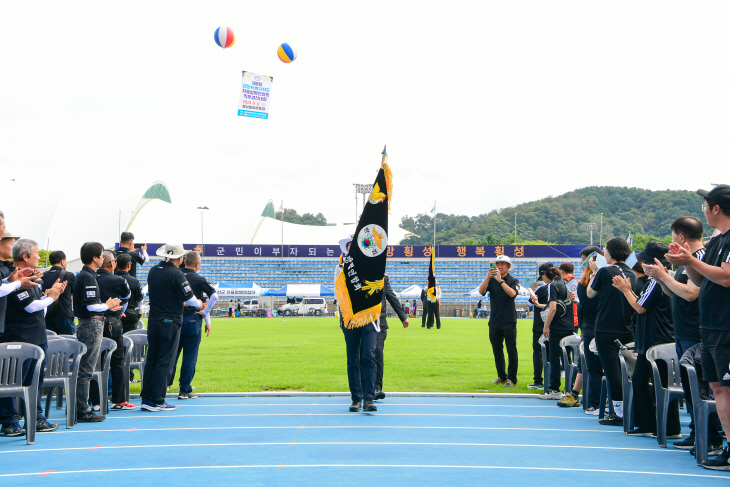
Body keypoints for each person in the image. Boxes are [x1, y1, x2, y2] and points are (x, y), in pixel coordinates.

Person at [665, 185, 730, 470]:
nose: (703, 211)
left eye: (705, 205)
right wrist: (685, 261)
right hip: (712, 327)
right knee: (716, 388)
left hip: (726, 327)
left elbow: (727, 278)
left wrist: (689, 260)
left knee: (725, 389)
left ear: (715, 208)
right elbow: (701, 281)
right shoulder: (718, 242)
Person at [644, 216, 720, 450]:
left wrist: (665, 276)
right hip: (683, 330)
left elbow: (691, 293)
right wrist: (660, 277)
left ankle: (709, 437)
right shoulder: (687, 261)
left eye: (673, 235)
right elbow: (674, 293)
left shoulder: (699, 259)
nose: (672, 240)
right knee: (691, 389)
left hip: (695, 332)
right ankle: (697, 433)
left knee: (702, 388)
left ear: (681, 236)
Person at [0, 239, 66, 437]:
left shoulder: (30, 279)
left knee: (35, 381)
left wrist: (47, 297)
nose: (39, 257)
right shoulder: (15, 280)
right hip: (19, 339)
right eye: (37, 253)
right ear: (25, 256)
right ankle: (9, 421)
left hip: (37, 338)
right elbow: (29, 307)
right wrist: (51, 297)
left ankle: (35, 417)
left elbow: (40, 311)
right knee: (12, 383)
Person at [613, 242, 679, 437]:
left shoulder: (656, 282)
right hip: (656, 338)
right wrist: (628, 290)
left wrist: (626, 291)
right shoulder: (662, 280)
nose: (643, 265)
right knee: (653, 382)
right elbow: (642, 303)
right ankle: (657, 425)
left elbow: (640, 308)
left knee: (651, 383)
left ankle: (660, 426)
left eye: (646, 262)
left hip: (655, 339)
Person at [140, 244, 200, 412]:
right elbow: (191, 299)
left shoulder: (153, 271)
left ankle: (147, 398)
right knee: (165, 360)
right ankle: (158, 399)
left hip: (154, 320)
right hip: (170, 321)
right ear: (180, 258)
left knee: (152, 358)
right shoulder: (176, 274)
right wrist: (200, 304)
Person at [586, 236, 636, 426]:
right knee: (627, 371)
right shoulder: (631, 273)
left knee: (612, 370)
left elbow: (590, 293)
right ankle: (629, 407)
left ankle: (619, 412)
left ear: (611, 251)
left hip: (605, 327)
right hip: (626, 327)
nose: (604, 252)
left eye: (605, 249)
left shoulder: (605, 271)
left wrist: (594, 273)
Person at [73, 242, 122, 423]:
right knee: (86, 370)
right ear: (94, 257)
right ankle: (83, 410)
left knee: (85, 369)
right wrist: (107, 306)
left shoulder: (86, 275)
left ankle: (81, 406)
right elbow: (91, 306)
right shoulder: (87, 277)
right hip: (91, 324)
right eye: (101, 255)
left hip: (89, 323)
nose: (104, 258)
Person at [169, 250, 217, 399]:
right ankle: (184, 389)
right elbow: (214, 296)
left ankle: (164, 384)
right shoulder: (199, 279)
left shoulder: (175, 276)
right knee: (189, 357)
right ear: (197, 264)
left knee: (171, 355)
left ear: (183, 261)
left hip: (175, 320)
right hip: (192, 320)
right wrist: (206, 314)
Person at [92, 251, 134, 411]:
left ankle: (96, 401)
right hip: (112, 322)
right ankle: (119, 400)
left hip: (94, 321)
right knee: (117, 361)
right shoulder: (117, 279)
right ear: (111, 263)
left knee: (95, 362)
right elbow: (126, 296)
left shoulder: (92, 278)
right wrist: (119, 308)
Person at [570, 246, 603, 413]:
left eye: (584, 259)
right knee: (589, 365)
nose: (581, 263)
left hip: (596, 328)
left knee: (595, 368)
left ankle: (597, 404)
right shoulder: (586, 279)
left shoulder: (599, 277)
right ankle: (588, 399)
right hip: (587, 326)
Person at [478, 255, 520, 387]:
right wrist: (487, 278)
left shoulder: (513, 280)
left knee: (511, 350)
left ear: (508, 266)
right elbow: (481, 291)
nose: (500, 266)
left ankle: (512, 379)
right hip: (495, 320)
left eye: (503, 264)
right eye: (497, 264)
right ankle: (501, 376)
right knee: (497, 350)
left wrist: (501, 281)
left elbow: (512, 294)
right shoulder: (491, 280)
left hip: (509, 320)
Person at [539, 266, 576, 400]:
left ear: (546, 275)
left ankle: (554, 389)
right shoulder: (565, 283)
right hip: (569, 325)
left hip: (557, 326)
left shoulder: (552, 286)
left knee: (554, 357)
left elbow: (553, 308)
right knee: (568, 358)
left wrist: (546, 326)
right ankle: (570, 389)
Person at [373, 275, 409, 400]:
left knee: (378, 352)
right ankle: (365, 387)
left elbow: (392, 297)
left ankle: (377, 387)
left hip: (380, 324)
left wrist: (402, 317)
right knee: (364, 355)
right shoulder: (361, 274)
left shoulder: (384, 278)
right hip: (363, 323)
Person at [115, 252, 144, 383]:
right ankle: (129, 375)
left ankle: (115, 375)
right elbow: (140, 300)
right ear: (129, 265)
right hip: (130, 315)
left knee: (114, 345)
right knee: (129, 345)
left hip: (114, 314)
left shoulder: (112, 278)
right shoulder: (134, 281)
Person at [42, 250, 76, 335]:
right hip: (64, 315)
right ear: (62, 262)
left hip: (48, 315)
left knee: (50, 342)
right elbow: (74, 292)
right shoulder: (69, 275)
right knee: (68, 342)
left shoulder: (43, 275)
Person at [528, 268, 550, 390]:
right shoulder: (560, 287)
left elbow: (530, 303)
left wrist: (532, 291)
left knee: (538, 353)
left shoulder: (542, 289)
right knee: (551, 354)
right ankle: (551, 381)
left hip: (540, 325)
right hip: (554, 325)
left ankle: (538, 380)